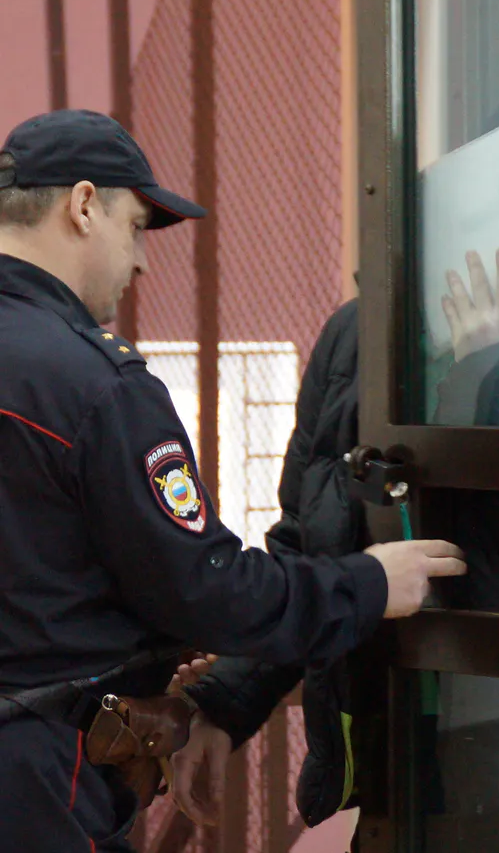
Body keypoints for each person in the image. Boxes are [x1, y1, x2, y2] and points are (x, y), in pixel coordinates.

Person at [172, 94, 499, 851]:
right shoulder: (359, 336)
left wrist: (494, 366)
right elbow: (306, 544)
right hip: (403, 752)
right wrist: (225, 706)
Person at [0, 109, 466, 853]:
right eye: (135, 228)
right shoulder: (91, 386)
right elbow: (203, 587)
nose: (141, 262)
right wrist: (370, 584)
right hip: (36, 781)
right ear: (83, 206)